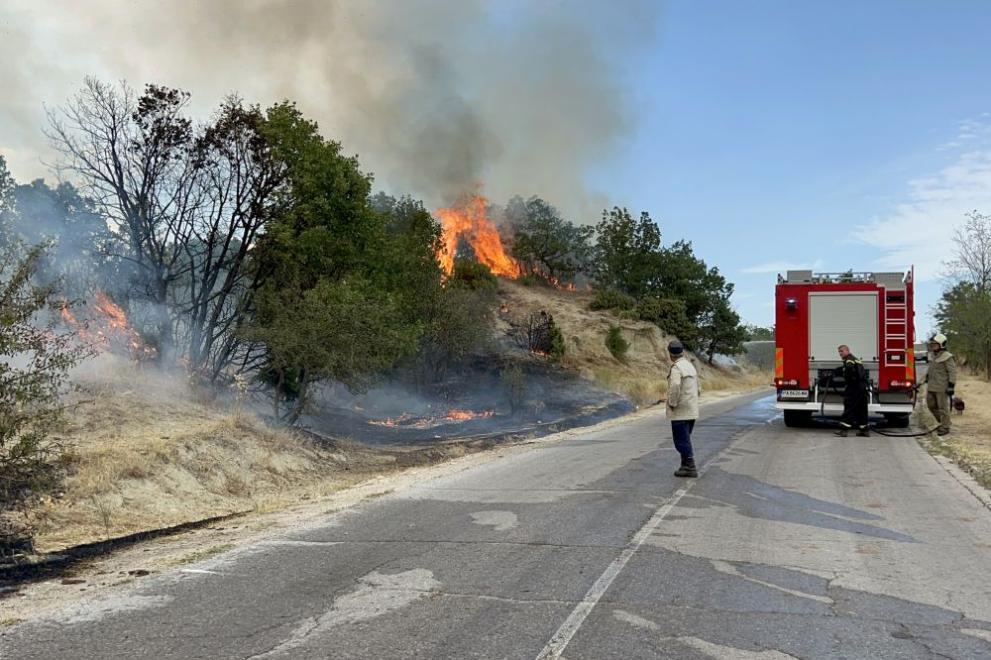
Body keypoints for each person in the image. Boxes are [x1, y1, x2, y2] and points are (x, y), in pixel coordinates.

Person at [664, 340, 701, 477]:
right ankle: (684, 466)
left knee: (681, 440)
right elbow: (698, 386)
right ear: (682, 352)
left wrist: (672, 403)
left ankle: (690, 467)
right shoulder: (690, 366)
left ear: (670, 354)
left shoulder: (677, 368)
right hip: (691, 409)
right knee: (686, 437)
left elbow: (674, 387)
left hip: (680, 411)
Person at [833, 344, 870, 437]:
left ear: (847, 351)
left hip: (854, 387)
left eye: (842, 351)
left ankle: (843, 430)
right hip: (862, 387)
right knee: (862, 409)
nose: (840, 353)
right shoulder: (855, 359)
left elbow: (849, 369)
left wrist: (847, 380)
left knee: (849, 407)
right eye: (839, 352)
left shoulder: (849, 360)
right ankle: (864, 430)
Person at [924, 333, 957, 436]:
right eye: (932, 344)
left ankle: (945, 427)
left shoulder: (947, 357)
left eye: (935, 344)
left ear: (941, 344)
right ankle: (944, 422)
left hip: (942, 387)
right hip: (932, 386)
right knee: (931, 406)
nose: (933, 346)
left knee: (943, 408)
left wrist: (951, 386)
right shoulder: (934, 356)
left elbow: (952, 372)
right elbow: (929, 372)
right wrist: (920, 383)